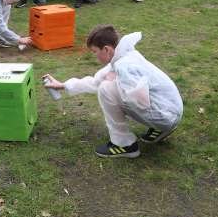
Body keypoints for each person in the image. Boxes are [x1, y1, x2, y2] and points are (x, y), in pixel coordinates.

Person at [43, 25, 183, 158]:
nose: (95, 56)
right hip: (172, 110)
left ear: (107, 49)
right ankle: (159, 128)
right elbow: (95, 81)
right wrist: (62, 85)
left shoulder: (124, 66)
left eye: (95, 52)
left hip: (165, 116)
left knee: (105, 89)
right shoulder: (124, 56)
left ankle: (125, 145)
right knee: (105, 84)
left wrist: (118, 82)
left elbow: (141, 103)